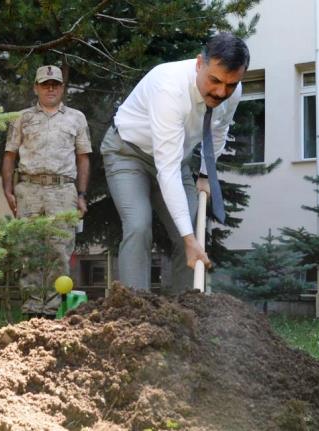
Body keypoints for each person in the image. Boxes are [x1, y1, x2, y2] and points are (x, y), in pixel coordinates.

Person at [101, 33, 249, 294]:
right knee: (138, 225)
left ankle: (186, 311)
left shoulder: (233, 92)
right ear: (198, 64)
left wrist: (205, 175)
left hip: (176, 158)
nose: (220, 91)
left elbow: (218, 131)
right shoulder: (169, 88)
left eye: (230, 84)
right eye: (214, 80)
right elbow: (166, 171)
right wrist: (189, 239)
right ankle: (136, 311)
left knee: (191, 226)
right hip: (128, 152)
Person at [2, 65, 91, 315]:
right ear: (36, 88)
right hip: (29, 189)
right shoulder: (22, 118)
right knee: (28, 249)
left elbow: (83, 158)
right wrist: (8, 190)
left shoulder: (76, 118)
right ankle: (31, 310)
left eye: (55, 84)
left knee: (60, 250)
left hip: (63, 191)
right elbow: (10, 155)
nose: (50, 88)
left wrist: (82, 195)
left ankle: (53, 311)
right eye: (45, 84)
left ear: (62, 87)